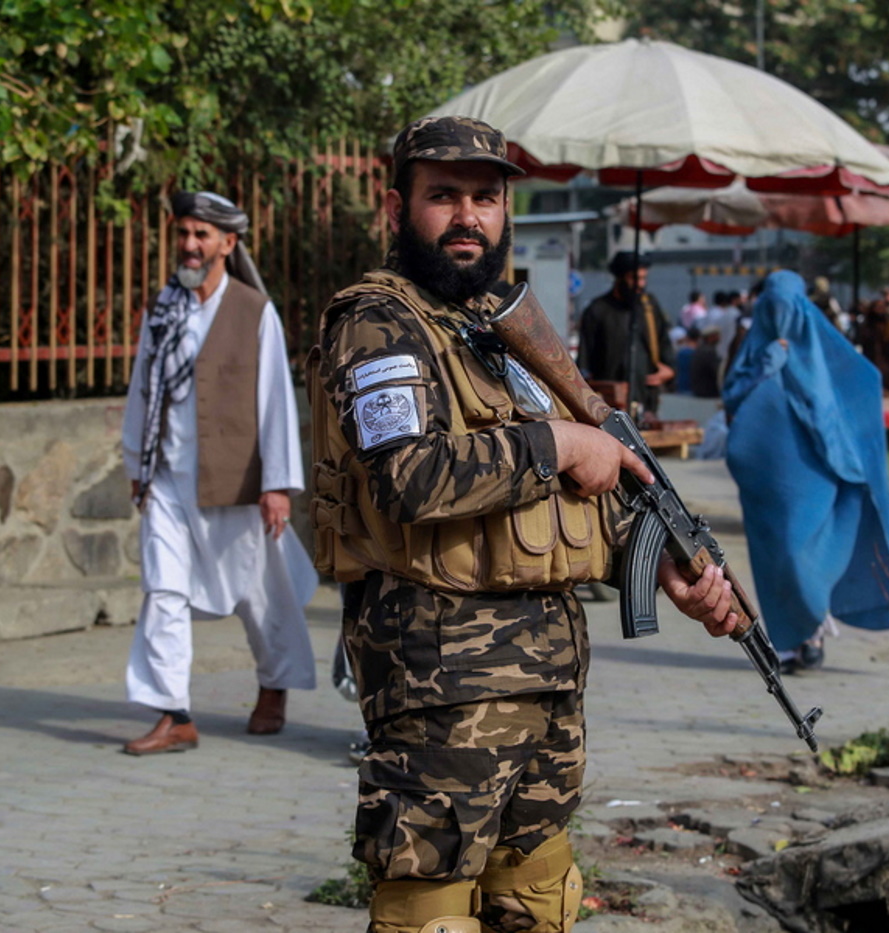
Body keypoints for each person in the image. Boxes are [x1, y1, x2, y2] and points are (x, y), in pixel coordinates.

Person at [308, 115, 739, 933]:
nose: (467, 215)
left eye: (485, 197)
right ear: (398, 207)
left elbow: (552, 500)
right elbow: (410, 477)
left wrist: (654, 569)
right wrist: (559, 438)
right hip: (442, 685)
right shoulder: (378, 324)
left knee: (540, 904)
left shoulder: (503, 337)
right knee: (429, 915)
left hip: (548, 677)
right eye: (443, 195)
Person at [119, 190, 317, 755]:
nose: (189, 244)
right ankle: (173, 713)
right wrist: (138, 460)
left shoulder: (254, 310)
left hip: (235, 480)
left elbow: (276, 398)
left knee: (260, 594)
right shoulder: (162, 308)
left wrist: (277, 484)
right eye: (183, 233)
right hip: (166, 480)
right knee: (162, 590)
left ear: (227, 243)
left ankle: (275, 682)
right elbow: (142, 385)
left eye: (201, 235)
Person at [723, 271, 889, 673]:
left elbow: (859, 386)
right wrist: (768, 365)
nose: (780, 316)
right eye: (772, 308)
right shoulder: (756, 348)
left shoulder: (822, 351)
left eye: (788, 308)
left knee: (800, 553)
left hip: (816, 473)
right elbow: (732, 396)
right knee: (774, 559)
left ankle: (813, 630)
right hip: (765, 479)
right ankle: (793, 643)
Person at [575, 250, 674, 416]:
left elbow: (665, 345)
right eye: (634, 278)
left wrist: (669, 371)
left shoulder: (649, 308)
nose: (640, 284)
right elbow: (584, 366)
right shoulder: (597, 310)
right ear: (620, 279)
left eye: (643, 278)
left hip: (646, 401)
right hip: (610, 406)